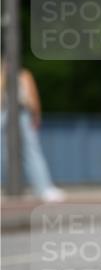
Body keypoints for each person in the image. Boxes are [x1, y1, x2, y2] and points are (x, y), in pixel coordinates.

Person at [0, 63, 65, 202]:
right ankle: (7, 187)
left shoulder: (24, 75)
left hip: (23, 112)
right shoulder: (2, 77)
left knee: (31, 150)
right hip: (3, 113)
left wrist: (36, 114)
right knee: (3, 152)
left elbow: (33, 96)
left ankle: (43, 188)